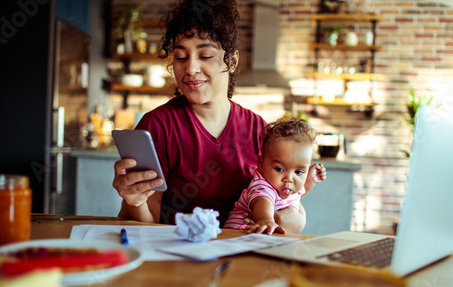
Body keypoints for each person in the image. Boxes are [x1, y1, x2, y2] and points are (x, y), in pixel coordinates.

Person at [112, 0, 316, 227]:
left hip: (243, 256)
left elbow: (287, 209)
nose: (190, 69)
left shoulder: (259, 131)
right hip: (178, 256)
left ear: (232, 61)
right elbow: (144, 224)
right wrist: (133, 200)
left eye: (205, 55)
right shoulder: (158, 126)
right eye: (180, 57)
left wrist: (287, 215)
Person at [224, 118, 326, 234]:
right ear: (261, 163)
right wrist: (265, 220)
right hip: (235, 235)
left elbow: (297, 196)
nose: (289, 179)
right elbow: (262, 202)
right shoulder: (262, 185)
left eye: (298, 172)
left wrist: (311, 180)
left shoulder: (284, 187)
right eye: (279, 169)